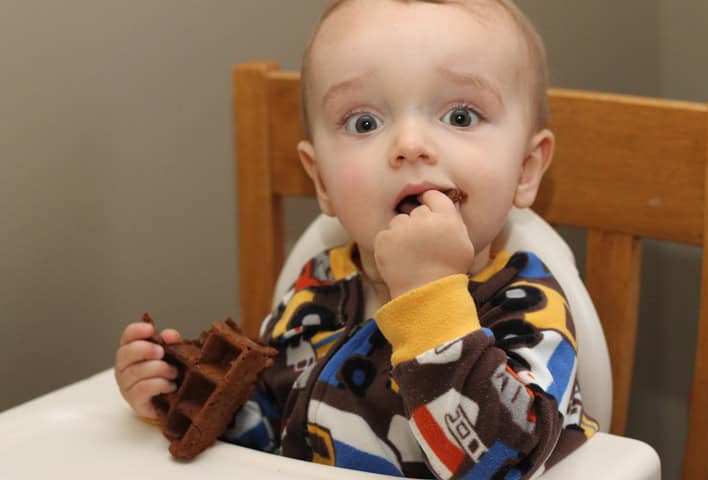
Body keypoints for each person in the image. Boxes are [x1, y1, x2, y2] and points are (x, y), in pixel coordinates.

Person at [114, 0, 599, 478]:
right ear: (321, 181)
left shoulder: (527, 306)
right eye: (364, 122)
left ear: (526, 169)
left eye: (461, 116)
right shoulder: (317, 291)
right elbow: (272, 429)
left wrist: (428, 300)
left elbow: (505, 463)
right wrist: (185, 398)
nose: (410, 145)